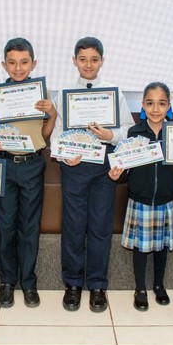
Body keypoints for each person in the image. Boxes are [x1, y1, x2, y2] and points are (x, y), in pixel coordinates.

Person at [108, 82, 173, 311]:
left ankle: (159, 285)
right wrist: (117, 175)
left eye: (161, 104)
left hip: (165, 200)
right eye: (150, 103)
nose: (155, 109)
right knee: (140, 248)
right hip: (140, 200)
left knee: (162, 247)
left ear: (169, 105)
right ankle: (140, 288)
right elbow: (126, 170)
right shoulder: (134, 133)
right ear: (143, 105)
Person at [51, 37, 134, 313]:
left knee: (100, 226)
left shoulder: (114, 94)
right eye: (83, 59)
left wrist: (110, 135)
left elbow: (128, 129)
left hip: (103, 169)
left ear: (102, 61)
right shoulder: (63, 94)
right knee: (73, 227)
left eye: (94, 59)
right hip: (74, 166)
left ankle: (97, 285)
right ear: (74, 61)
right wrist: (64, 155)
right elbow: (57, 135)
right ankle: (73, 284)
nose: (88, 65)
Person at [0, 38, 58, 309]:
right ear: (4, 65)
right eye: (12, 63)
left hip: (32, 164)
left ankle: (28, 282)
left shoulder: (41, 92)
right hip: (4, 164)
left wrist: (52, 114)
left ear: (33, 63)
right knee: (5, 225)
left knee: (29, 226)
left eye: (24, 62)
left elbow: (44, 135)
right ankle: (7, 282)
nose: (18, 68)